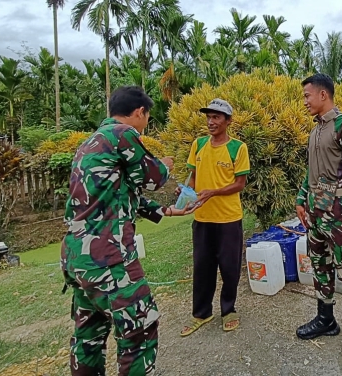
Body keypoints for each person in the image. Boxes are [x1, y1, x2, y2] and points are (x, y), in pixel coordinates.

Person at [61, 86, 194, 375]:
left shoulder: (90, 143)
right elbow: (153, 179)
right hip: (108, 259)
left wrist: (168, 210)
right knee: (140, 330)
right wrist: (166, 165)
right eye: (147, 118)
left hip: (77, 259)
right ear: (138, 113)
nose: (146, 125)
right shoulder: (122, 134)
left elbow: (119, 193)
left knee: (89, 336)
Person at [295, 73, 342, 362]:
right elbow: (311, 170)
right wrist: (301, 199)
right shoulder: (315, 131)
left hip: (338, 216)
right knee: (320, 266)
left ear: (323, 95)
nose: (305, 102)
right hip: (315, 215)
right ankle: (326, 319)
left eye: (307, 96)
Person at [178, 98, 250, 337]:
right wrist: (187, 193)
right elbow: (194, 176)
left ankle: (228, 310)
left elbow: (240, 184)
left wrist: (213, 192)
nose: (211, 122)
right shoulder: (198, 145)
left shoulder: (237, 148)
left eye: (216, 117)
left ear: (228, 121)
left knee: (230, 268)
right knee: (202, 267)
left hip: (228, 219)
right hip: (202, 218)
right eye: (208, 117)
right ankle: (201, 313)